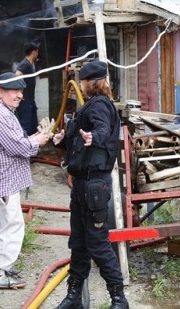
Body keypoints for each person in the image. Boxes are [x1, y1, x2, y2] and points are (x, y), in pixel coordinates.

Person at [52, 60, 129, 309]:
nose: (81, 87)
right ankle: (74, 297)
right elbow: (80, 141)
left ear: (90, 83)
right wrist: (63, 140)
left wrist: (93, 136)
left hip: (95, 185)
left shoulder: (99, 106)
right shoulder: (88, 108)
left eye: (83, 82)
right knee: (79, 242)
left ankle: (119, 298)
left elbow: (103, 130)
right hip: (82, 184)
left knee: (97, 242)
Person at [0, 72, 50, 289]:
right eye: (14, 91)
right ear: (0, 92)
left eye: (21, 91)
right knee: (12, 227)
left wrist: (33, 138)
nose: (19, 95)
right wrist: (39, 140)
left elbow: (13, 142)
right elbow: (18, 147)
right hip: (4, 181)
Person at [15, 41, 40, 135]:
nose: (38, 54)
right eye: (37, 52)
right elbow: (16, 76)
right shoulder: (25, 64)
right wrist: (20, 93)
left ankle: (33, 147)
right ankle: (25, 148)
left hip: (30, 101)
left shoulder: (30, 64)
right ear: (34, 52)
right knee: (26, 127)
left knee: (34, 127)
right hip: (25, 102)